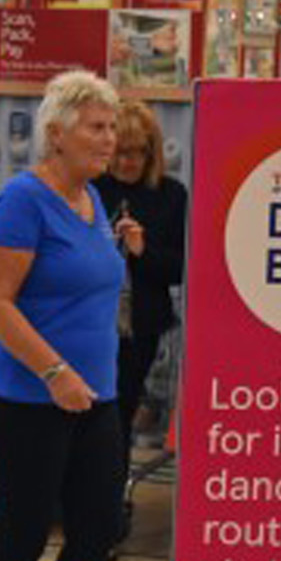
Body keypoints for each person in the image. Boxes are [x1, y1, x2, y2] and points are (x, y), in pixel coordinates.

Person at [0, 71, 126, 561]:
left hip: (97, 396)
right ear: (56, 133)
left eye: (113, 128)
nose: (110, 140)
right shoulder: (22, 201)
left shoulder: (93, 202)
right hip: (28, 398)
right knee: (24, 535)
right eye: (97, 127)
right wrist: (54, 371)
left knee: (94, 533)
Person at [93, 99, 187, 483]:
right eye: (121, 152)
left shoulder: (170, 195)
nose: (128, 163)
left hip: (138, 328)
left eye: (138, 153)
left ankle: (108, 501)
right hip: (89, 320)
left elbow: (179, 269)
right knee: (85, 413)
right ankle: (72, 500)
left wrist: (143, 251)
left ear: (152, 153)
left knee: (117, 414)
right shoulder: (91, 188)